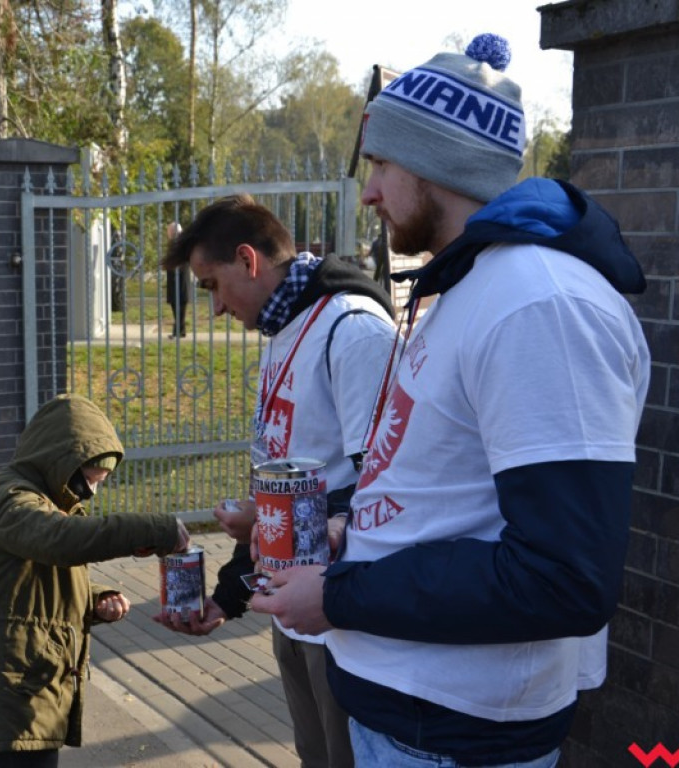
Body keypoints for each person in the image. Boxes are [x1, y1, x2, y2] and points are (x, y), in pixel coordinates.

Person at [251, 33, 651, 767]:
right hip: (411, 716)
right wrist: (348, 536)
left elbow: (562, 576)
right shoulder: (472, 289)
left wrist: (340, 595)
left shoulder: (539, 306)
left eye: (380, 164)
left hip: (453, 733)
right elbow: (447, 494)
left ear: (437, 165)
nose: (368, 192)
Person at [155, 194, 397, 768]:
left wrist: (273, 519)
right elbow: (283, 478)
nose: (213, 308)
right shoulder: (285, 329)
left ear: (248, 259)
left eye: (212, 285)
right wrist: (228, 596)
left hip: (343, 617)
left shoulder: (353, 331)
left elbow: (388, 488)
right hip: (292, 606)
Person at [0, 393, 191, 767]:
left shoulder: (45, 500)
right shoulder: (11, 499)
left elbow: (40, 580)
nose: (92, 492)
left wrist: (96, 599)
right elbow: (61, 542)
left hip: (30, 676)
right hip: (12, 682)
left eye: (101, 483)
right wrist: (155, 529)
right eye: (89, 479)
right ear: (60, 460)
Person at [164, 221, 189, 338]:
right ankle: (180, 330)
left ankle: (178, 331)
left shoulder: (181, 245)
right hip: (174, 279)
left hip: (180, 279)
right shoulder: (173, 245)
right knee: (176, 305)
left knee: (180, 306)